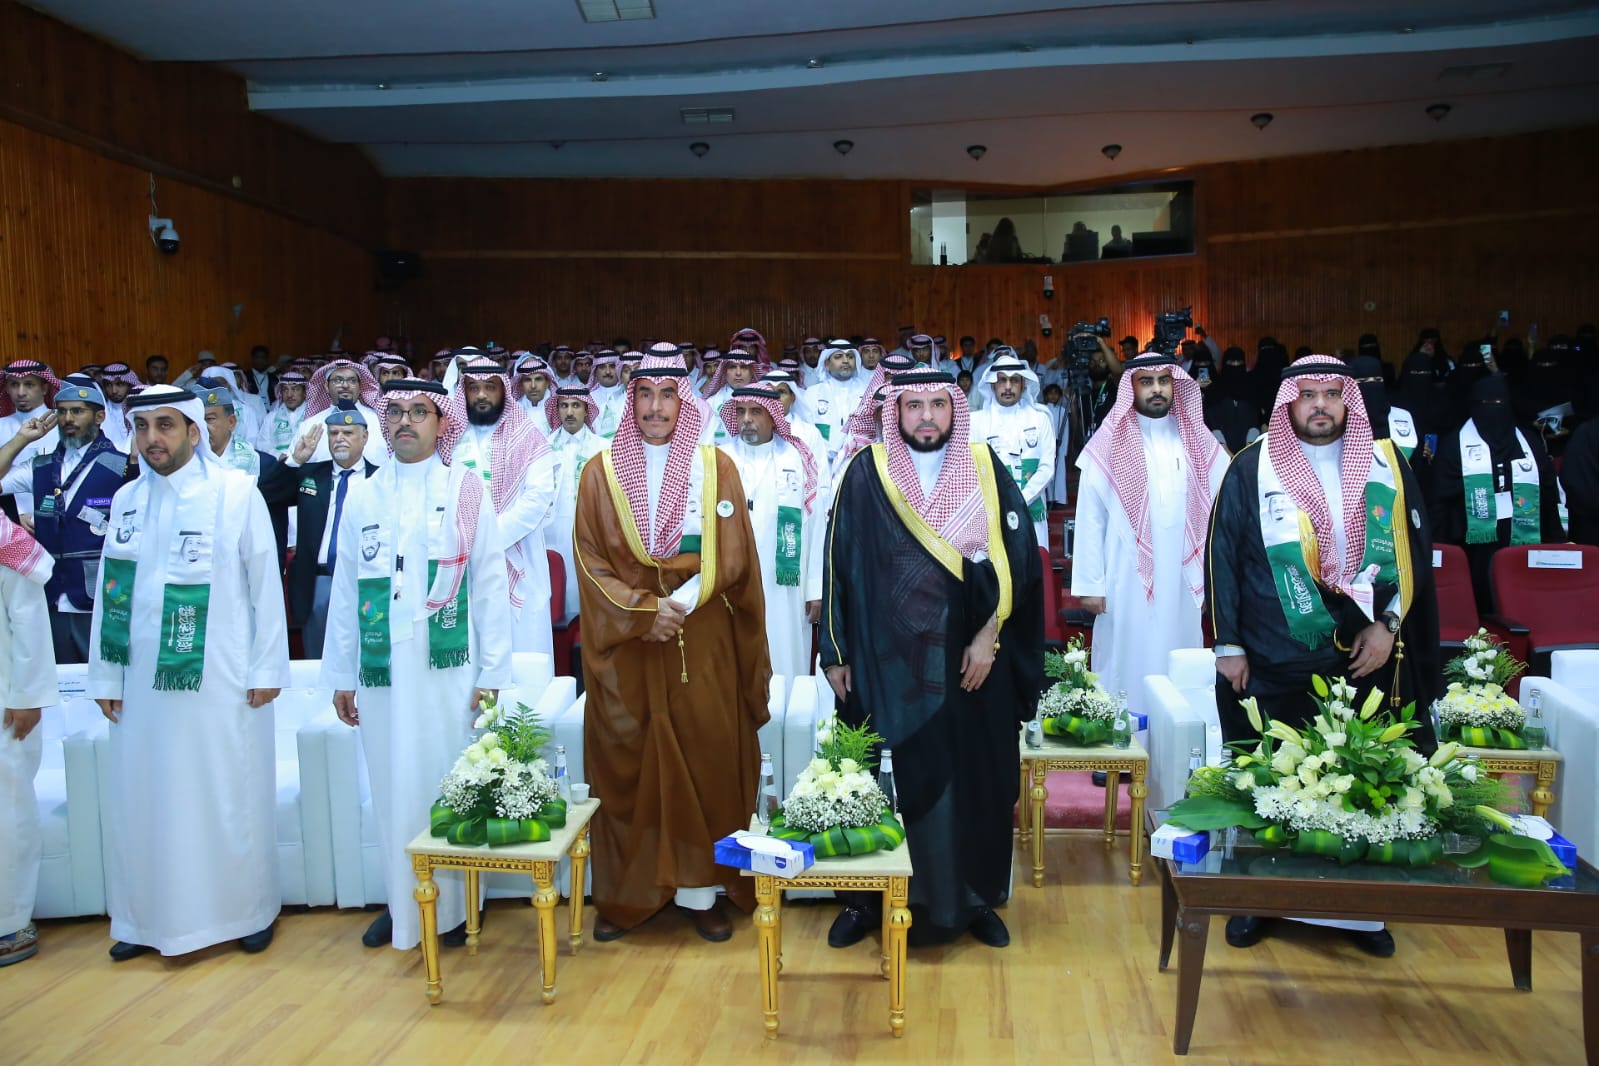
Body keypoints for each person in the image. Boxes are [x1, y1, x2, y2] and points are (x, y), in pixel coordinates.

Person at [1206, 357, 1440, 957]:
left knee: (1359, 778)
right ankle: (1259, 901)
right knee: (1270, 780)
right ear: (1288, 401)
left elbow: (1412, 555)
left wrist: (1388, 626)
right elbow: (1223, 557)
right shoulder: (1252, 466)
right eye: (1307, 394)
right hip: (1273, 654)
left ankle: (1359, 913)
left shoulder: (1385, 464)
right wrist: (1228, 646)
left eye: (1331, 394)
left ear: (1347, 401)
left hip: (1363, 654)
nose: (1319, 405)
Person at [821, 370, 1043, 949]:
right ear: (895, 412)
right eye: (913, 405)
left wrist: (989, 636)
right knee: (879, 781)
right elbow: (839, 562)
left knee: (977, 782)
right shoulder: (867, 471)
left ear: (954, 409)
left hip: (971, 665)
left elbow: (1017, 558)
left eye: (938, 404)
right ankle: (867, 903)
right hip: (886, 666)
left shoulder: (985, 468)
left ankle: (974, 900)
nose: (925, 416)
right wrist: (836, 653)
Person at [572, 352, 769, 943]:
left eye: (667, 395)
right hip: (628, 644)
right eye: (645, 394)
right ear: (630, 401)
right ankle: (629, 895)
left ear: (685, 402)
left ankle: (702, 892)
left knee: (707, 756)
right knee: (627, 761)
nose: (655, 407)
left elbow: (733, 554)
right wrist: (642, 612)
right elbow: (589, 559)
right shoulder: (599, 473)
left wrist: (673, 606)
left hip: (700, 636)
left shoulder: (716, 467)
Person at [87, 384, 288, 960]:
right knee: (144, 797)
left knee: (224, 795)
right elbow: (110, 594)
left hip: (221, 679)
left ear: (194, 432)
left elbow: (264, 585)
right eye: (142, 426)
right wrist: (105, 675)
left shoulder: (235, 492)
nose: (152, 438)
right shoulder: (126, 498)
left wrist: (267, 666)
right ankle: (145, 921)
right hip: (140, 685)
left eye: (166, 425)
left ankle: (247, 912)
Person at [321, 379, 512, 950]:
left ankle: (457, 908)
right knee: (390, 786)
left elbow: (489, 581)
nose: (406, 421)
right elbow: (345, 590)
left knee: (450, 780)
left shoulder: (466, 488)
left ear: (441, 422)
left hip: (449, 670)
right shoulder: (363, 495)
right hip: (381, 672)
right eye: (397, 412)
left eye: (419, 412)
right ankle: (403, 904)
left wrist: (493, 673)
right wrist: (341, 674)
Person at [1073, 353, 1226, 713]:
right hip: (1125, 578)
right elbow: (1091, 517)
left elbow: (1220, 508)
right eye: (1146, 382)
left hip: (1182, 578)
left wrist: (1211, 579)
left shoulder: (1196, 438)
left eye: (1164, 381)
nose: (1156, 389)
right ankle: (1125, 739)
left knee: (1181, 658)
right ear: (1132, 387)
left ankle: (1179, 738)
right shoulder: (1108, 442)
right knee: (1126, 658)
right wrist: (1091, 584)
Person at [0, 383, 132, 663]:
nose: (68, 419)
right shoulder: (41, 466)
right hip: (49, 596)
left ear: (99, 417)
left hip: (100, 599)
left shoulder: (121, 467)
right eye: (61, 412)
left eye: (77, 411)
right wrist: (21, 439)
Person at [1428, 375, 1565, 611]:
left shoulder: (1529, 443)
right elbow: (1440, 497)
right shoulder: (1454, 445)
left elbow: (1547, 490)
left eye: (1500, 404)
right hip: (1473, 541)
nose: (1494, 411)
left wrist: (1556, 538)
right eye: (1487, 404)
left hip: (1523, 535)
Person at [717, 386, 827, 679]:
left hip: (785, 586)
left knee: (784, 654)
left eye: (756, 412)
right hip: (731, 580)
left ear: (773, 417)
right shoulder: (719, 460)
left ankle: (786, 707)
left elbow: (816, 526)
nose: (746, 419)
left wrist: (815, 588)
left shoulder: (797, 459)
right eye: (741, 412)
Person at [453, 357, 558, 656]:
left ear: (503, 390)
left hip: (520, 558)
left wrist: (487, 540)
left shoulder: (528, 437)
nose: (481, 395)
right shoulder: (451, 439)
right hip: (462, 561)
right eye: (473, 388)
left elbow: (537, 498)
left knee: (522, 657)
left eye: (490, 387)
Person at [257, 402, 376, 657]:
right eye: (334, 433)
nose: (339, 439)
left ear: (364, 437)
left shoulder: (379, 478)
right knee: (317, 661)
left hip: (363, 580)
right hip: (317, 582)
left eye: (348, 433)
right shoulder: (310, 475)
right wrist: (295, 460)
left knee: (363, 656)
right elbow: (266, 494)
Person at [0, 512, 57, 967]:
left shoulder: (7, 543)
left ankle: (10, 921)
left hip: (6, 702)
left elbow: (30, 622)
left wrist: (30, 697)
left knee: (8, 807)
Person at [968, 352, 1057, 549]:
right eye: (1002, 380)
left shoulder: (1040, 418)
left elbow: (1047, 468)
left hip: (1032, 512)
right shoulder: (976, 422)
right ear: (992, 384)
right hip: (992, 513)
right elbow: (971, 470)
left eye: (1014, 380)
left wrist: (1020, 500)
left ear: (1023, 384)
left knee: (1035, 563)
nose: (1008, 387)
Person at [545, 385, 608, 626]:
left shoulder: (602, 448)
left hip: (591, 532)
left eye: (576, 405)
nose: (569, 412)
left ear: (586, 410)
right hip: (551, 534)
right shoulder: (543, 447)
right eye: (564, 405)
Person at [291, 360, 385, 468]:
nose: (345, 385)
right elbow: (290, 466)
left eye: (352, 381)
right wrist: (297, 460)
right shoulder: (309, 425)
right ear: (326, 386)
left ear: (360, 387)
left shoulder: (380, 421)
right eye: (338, 380)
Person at [1, 360, 63, 520]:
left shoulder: (65, 422)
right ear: (7, 388)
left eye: (29, 384)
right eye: (14, 384)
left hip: (61, 516)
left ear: (44, 388)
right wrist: (15, 514)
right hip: (9, 520)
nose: (21, 392)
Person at [798, 344, 866, 465]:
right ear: (827, 364)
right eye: (838, 356)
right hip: (822, 463)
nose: (845, 361)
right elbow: (806, 431)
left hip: (858, 462)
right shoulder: (813, 394)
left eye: (850, 356)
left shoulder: (867, 392)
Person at [256, 370, 310, 457]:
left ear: (304, 392)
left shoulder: (314, 415)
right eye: (285, 389)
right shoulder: (271, 417)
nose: (289, 395)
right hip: (278, 462)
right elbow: (261, 444)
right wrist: (279, 455)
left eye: (295, 389)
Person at [98, 363, 142, 451]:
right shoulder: (101, 412)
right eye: (109, 385)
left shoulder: (139, 411)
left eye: (119, 384)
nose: (114, 391)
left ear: (130, 384)